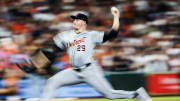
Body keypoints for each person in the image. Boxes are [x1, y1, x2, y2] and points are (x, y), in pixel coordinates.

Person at [17, 7, 152, 101]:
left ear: (84, 22)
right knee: (52, 81)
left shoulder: (92, 35)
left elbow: (112, 34)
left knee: (110, 95)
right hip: (74, 71)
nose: (74, 21)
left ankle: (137, 94)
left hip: (90, 70)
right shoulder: (65, 36)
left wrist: (116, 16)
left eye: (77, 19)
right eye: (74, 19)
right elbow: (51, 53)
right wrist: (35, 64)